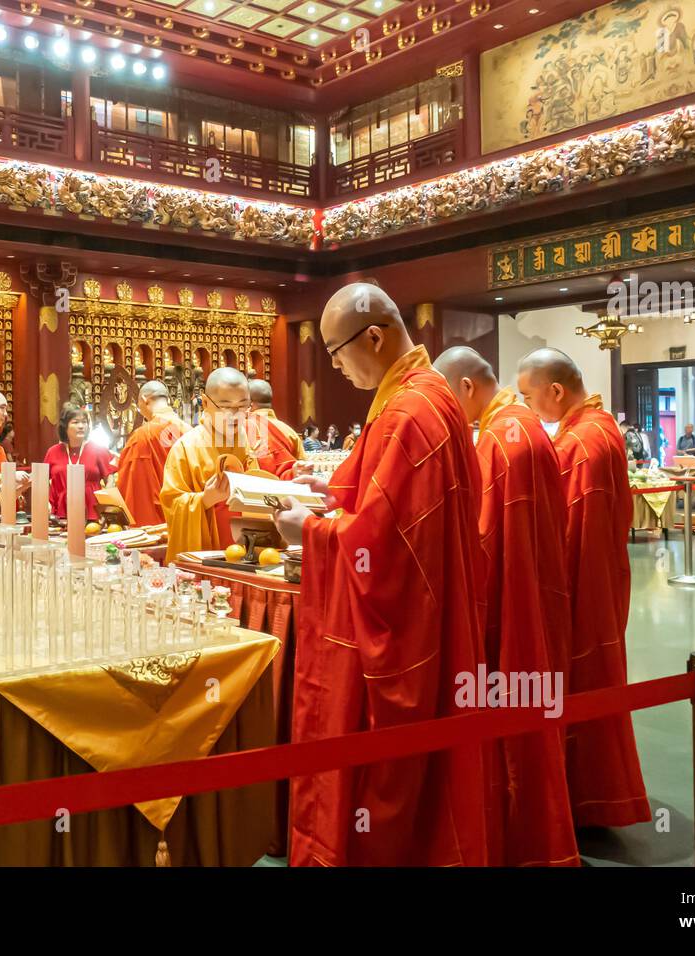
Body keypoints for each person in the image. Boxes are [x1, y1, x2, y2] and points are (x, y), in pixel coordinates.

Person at [272, 283, 489, 867]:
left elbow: (390, 542)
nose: (337, 369)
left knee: (391, 774)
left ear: (374, 336)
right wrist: (332, 489)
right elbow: (386, 493)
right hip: (443, 608)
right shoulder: (427, 393)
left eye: (339, 354)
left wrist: (310, 533)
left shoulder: (408, 410)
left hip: (410, 625)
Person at [433, 345, 579, 867]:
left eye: (447, 398)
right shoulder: (528, 426)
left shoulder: (499, 439)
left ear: (467, 388)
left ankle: (517, 836)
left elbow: (481, 537)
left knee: (512, 720)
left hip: (510, 604)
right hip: (540, 593)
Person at [516, 348, 652, 829]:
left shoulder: (582, 443)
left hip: (583, 585)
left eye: (529, 397)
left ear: (555, 391)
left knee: (584, 684)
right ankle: (587, 796)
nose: (529, 409)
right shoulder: (597, 425)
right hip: (604, 578)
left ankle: (585, 799)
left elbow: (567, 532)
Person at [160, 367, 262, 564]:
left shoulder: (249, 441)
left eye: (243, 406)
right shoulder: (185, 447)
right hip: (207, 553)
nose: (235, 415)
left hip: (248, 554)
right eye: (225, 406)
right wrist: (205, 500)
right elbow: (172, 505)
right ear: (205, 402)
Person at [115, 380, 190, 525]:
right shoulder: (189, 430)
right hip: (184, 514)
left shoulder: (142, 436)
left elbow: (130, 483)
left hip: (153, 518)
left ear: (144, 400)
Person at [44, 405, 117, 523]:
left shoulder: (98, 449)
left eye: (84, 422)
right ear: (65, 426)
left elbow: (110, 479)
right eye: (76, 422)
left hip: (92, 511)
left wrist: (106, 505)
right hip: (61, 511)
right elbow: (42, 481)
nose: (81, 426)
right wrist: (45, 502)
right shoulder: (53, 451)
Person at [248, 378, 308, 479]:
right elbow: (302, 466)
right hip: (287, 491)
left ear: (250, 403)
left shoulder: (244, 428)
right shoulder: (289, 431)